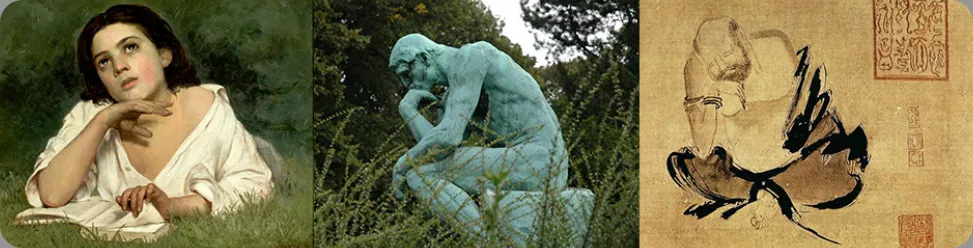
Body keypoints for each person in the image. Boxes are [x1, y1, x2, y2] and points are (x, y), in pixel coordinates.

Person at [18, 4, 273, 230]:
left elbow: (255, 186)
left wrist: (172, 205)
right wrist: (104, 122)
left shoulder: (204, 107)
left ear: (164, 55)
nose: (119, 67)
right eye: (104, 62)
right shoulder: (91, 115)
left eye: (130, 47)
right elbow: (52, 195)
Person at [389, 34, 568, 234]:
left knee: (418, 176)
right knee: (423, 173)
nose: (406, 84)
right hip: (530, 161)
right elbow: (438, 151)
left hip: (543, 160)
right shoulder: (451, 98)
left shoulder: (472, 56)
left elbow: (448, 138)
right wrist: (408, 111)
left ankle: (484, 241)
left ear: (425, 58)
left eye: (406, 72)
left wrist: (403, 163)